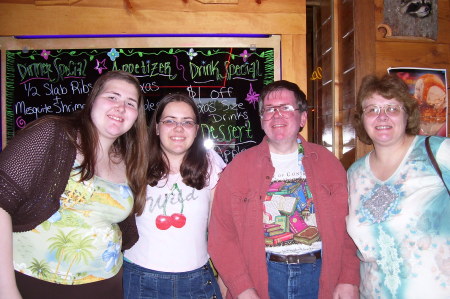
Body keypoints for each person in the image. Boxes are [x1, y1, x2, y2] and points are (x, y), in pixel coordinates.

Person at [0, 70, 149, 299]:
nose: (121, 107)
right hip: (35, 284)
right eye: (112, 96)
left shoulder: (128, 159)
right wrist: (7, 291)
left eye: (130, 103)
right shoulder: (52, 134)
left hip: (107, 287)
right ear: (92, 100)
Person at [208, 80, 360, 299]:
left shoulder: (329, 163)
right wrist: (242, 288)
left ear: (303, 118)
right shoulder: (238, 168)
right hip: (263, 277)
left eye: (286, 108)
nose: (277, 115)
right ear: (262, 120)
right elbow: (222, 234)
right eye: (269, 109)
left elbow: (350, 227)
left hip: (319, 276)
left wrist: (348, 278)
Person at [346, 74, 450, 298]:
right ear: (362, 118)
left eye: (392, 108)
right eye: (372, 109)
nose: (381, 117)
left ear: (407, 114)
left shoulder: (438, 153)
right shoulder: (355, 174)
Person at [122, 93, 226, 299]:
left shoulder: (211, 163)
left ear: (196, 130)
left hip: (197, 281)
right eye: (169, 121)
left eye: (187, 122)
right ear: (157, 128)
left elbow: (222, 229)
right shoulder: (134, 162)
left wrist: (225, 277)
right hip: (141, 279)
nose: (178, 128)